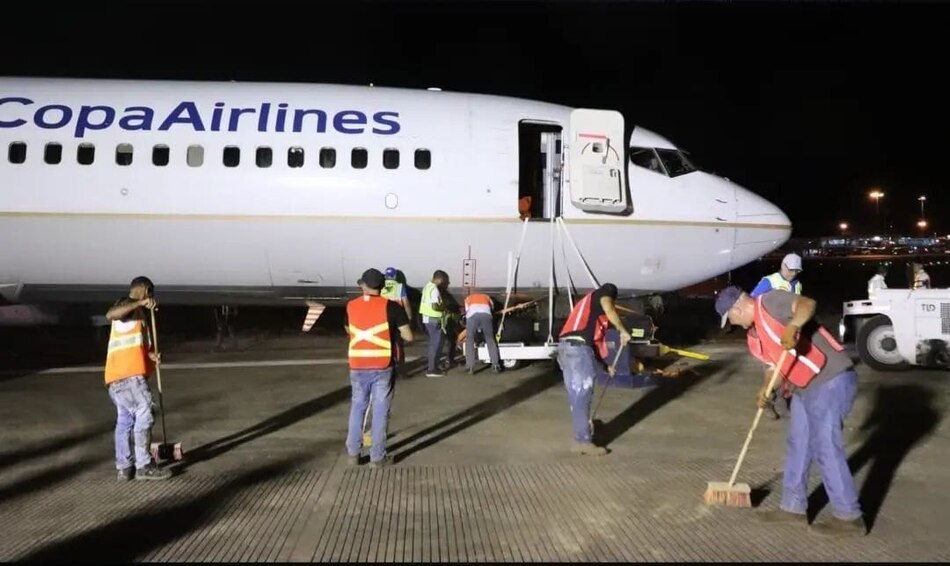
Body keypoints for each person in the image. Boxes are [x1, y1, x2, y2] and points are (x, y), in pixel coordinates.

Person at [715, 285, 866, 536]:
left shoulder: (771, 302)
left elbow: (807, 303)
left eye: (731, 317)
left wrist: (793, 326)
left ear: (738, 307)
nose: (733, 323)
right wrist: (765, 390)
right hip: (803, 388)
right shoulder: (753, 337)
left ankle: (849, 516)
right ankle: (793, 508)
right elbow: (772, 368)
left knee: (825, 446)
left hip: (830, 379)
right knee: (798, 443)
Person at [104, 276, 172, 481]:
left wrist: (152, 356)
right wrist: (141, 302)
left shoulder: (139, 316)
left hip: (116, 377)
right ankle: (144, 464)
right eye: (149, 293)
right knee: (146, 411)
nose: (150, 298)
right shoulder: (126, 305)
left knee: (125, 421)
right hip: (129, 377)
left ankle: (125, 467)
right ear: (143, 289)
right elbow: (111, 314)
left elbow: (136, 347)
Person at [344, 268, 414, 467]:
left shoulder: (351, 306)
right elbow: (408, 336)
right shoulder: (392, 307)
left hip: (357, 365)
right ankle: (377, 457)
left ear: (363, 286)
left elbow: (348, 330)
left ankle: (353, 454)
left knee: (357, 407)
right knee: (380, 410)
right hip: (382, 366)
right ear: (382, 287)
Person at [557, 283, 633, 456]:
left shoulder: (588, 314)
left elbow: (593, 347)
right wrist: (622, 331)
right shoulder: (603, 293)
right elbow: (609, 308)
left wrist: (606, 366)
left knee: (576, 395)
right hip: (577, 349)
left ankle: (580, 437)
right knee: (582, 394)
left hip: (566, 348)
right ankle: (583, 440)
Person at [381, 267, 411, 375]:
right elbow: (406, 303)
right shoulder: (399, 287)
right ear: (394, 276)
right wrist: (409, 317)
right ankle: (401, 370)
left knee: (386, 343)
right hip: (397, 317)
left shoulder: (381, 287)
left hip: (384, 317)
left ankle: (387, 365)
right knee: (399, 344)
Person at [419, 270, 450, 377]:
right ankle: (432, 369)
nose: (445, 283)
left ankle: (433, 366)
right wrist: (444, 307)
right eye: (445, 281)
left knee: (433, 343)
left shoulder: (427, 287)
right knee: (436, 344)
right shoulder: (434, 289)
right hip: (433, 319)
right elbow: (435, 306)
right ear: (440, 279)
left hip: (428, 319)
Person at [463, 291, 502, 374]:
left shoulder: (468, 298)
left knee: (470, 341)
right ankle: (495, 365)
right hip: (486, 315)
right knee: (490, 340)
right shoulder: (487, 297)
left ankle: (470, 367)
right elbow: (492, 308)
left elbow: (467, 310)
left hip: (472, 315)